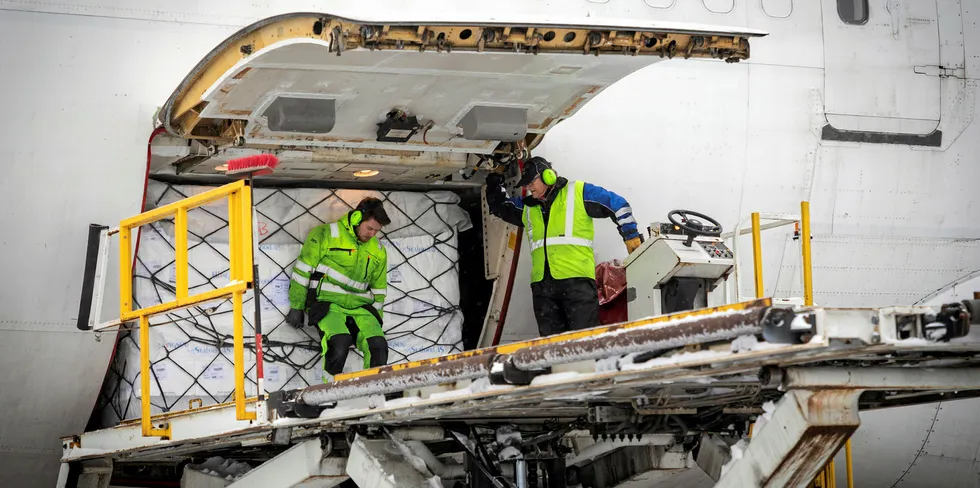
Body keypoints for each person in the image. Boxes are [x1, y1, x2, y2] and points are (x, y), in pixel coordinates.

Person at [485, 156, 642, 336]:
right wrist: (495, 177)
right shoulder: (528, 208)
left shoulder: (578, 192)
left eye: (531, 182)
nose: (527, 187)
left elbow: (618, 205)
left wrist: (630, 235)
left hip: (577, 284)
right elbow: (500, 206)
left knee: (584, 344)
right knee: (552, 348)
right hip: (543, 288)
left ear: (548, 176)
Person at [285, 197, 390, 380]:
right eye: (369, 228)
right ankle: (327, 398)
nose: (372, 234)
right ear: (357, 218)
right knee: (339, 343)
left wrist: (376, 319)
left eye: (376, 231)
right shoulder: (325, 234)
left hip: (361, 307)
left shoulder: (378, 249)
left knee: (378, 345)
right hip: (328, 304)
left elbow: (379, 288)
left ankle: (375, 397)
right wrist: (297, 305)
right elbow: (303, 270)